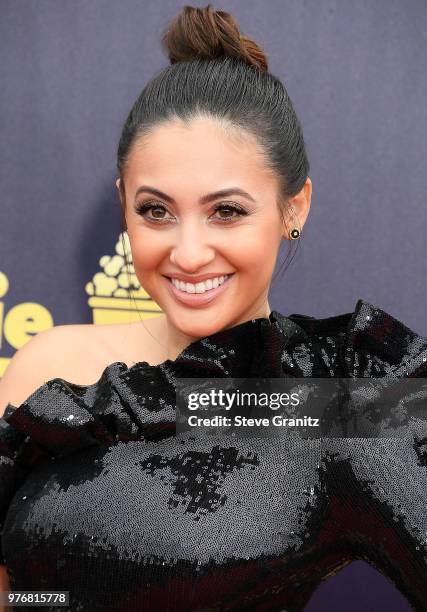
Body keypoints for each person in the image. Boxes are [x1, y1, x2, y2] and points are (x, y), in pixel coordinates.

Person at [1, 4, 426, 611]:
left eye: (227, 210)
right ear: (123, 201)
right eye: (156, 211)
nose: (189, 252)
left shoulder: (339, 399)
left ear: (294, 206)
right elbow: (18, 594)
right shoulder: (50, 368)